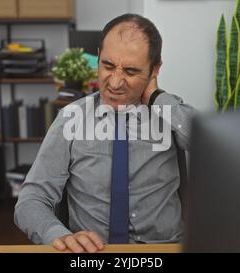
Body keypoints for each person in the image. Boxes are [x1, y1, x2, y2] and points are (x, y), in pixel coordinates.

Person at [14, 13, 196, 253]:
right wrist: (58, 235)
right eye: (108, 66)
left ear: (155, 69)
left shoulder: (170, 114)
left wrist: (157, 97)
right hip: (94, 253)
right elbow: (30, 200)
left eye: (131, 71)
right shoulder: (71, 118)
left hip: (163, 250)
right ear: (98, 56)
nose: (115, 82)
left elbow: (215, 151)